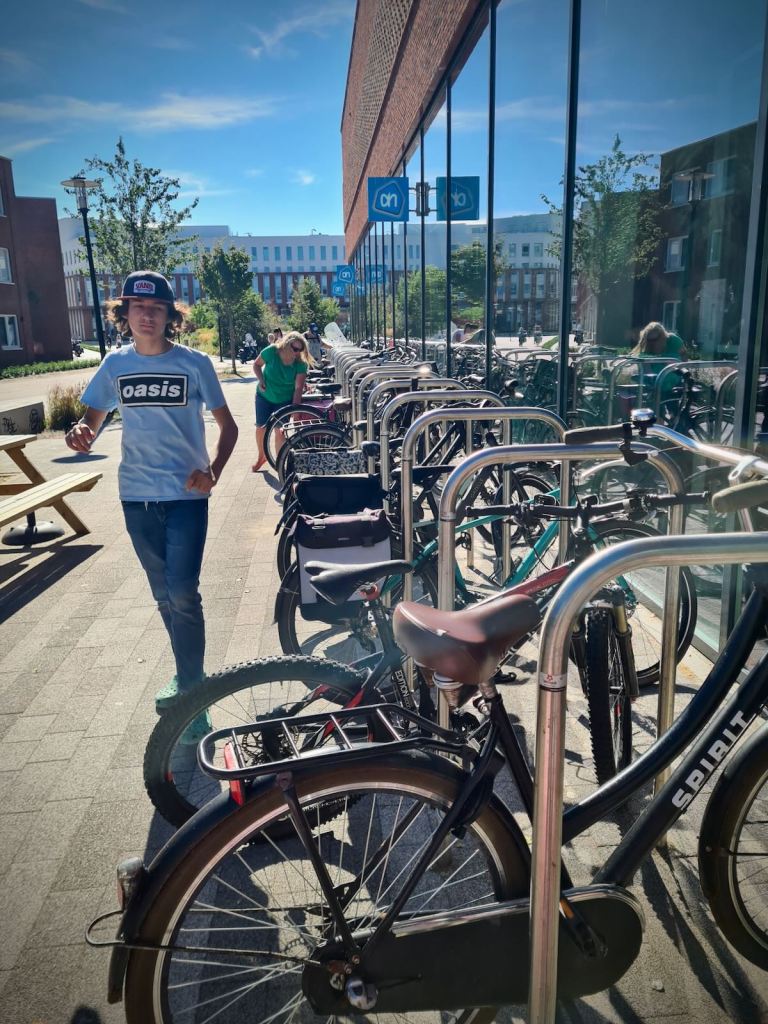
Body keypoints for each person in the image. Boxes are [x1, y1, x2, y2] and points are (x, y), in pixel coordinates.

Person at [65, 271, 238, 741]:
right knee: (164, 595)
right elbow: (90, 424)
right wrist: (79, 435)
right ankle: (186, 674)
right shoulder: (114, 365)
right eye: (137, 308)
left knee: (182, 592)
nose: (146, 315)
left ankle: (194, 694)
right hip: (135, 497)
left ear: (169, 316)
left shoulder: (195, 363)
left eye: (156, 309)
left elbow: (229, 427)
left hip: (185, 498)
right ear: (124, 315)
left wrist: (214, 473)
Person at [251, 330, 312, 472]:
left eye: (300, 350)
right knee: (261, 427)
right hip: (264, 396)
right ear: (286, 344)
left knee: (280, 431)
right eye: (295, 348)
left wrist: (295, 410)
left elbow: (298, 389)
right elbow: (256, 365)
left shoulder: (300, 364)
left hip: (284, 400)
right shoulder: (272, 351)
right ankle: (262, 456)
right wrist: (260, 380)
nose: (297, 352)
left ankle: (279, 463)